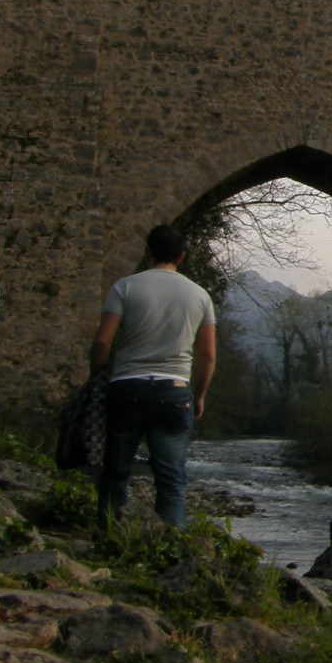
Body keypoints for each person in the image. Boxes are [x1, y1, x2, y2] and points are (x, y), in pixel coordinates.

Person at [90, 223, 216, 529]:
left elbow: (103, 342)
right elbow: (207, 355)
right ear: (183, 257)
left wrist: (97, 380)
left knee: (116, 473)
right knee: (171, 481)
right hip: (174, 391)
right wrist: (198, 395)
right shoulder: (199, 296)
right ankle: (172, 555)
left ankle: (109, 539)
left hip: (126, 387)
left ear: (147, 252)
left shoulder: (125, 287)